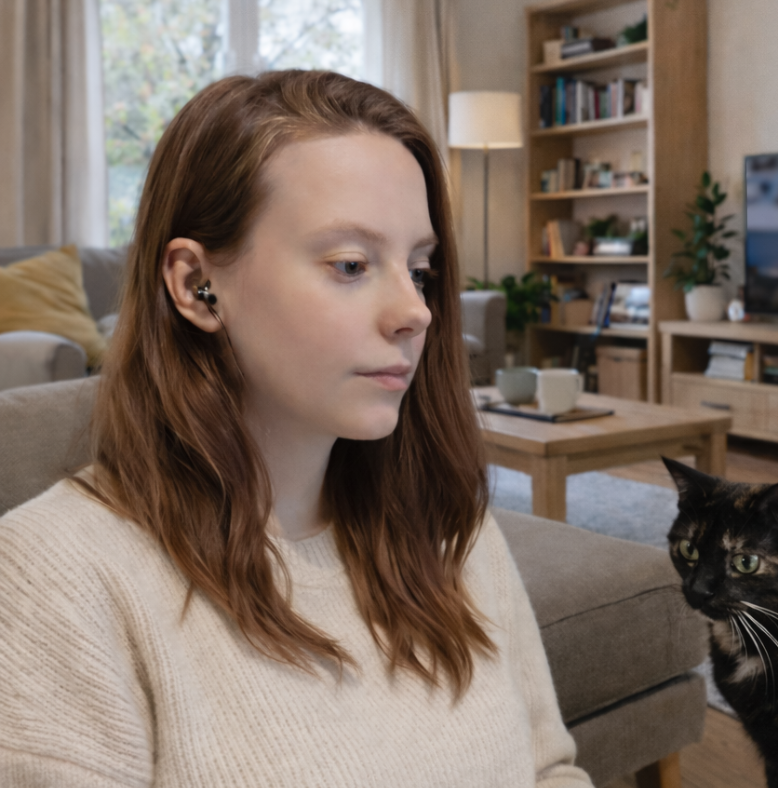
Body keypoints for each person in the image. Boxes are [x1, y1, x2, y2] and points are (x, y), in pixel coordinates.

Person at [0, 70, 594, 787]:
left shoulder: (446, 527)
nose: (417, 311)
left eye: (420, 268)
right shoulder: (55, 574)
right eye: (350, 264)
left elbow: (551, 770)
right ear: (196, 285)